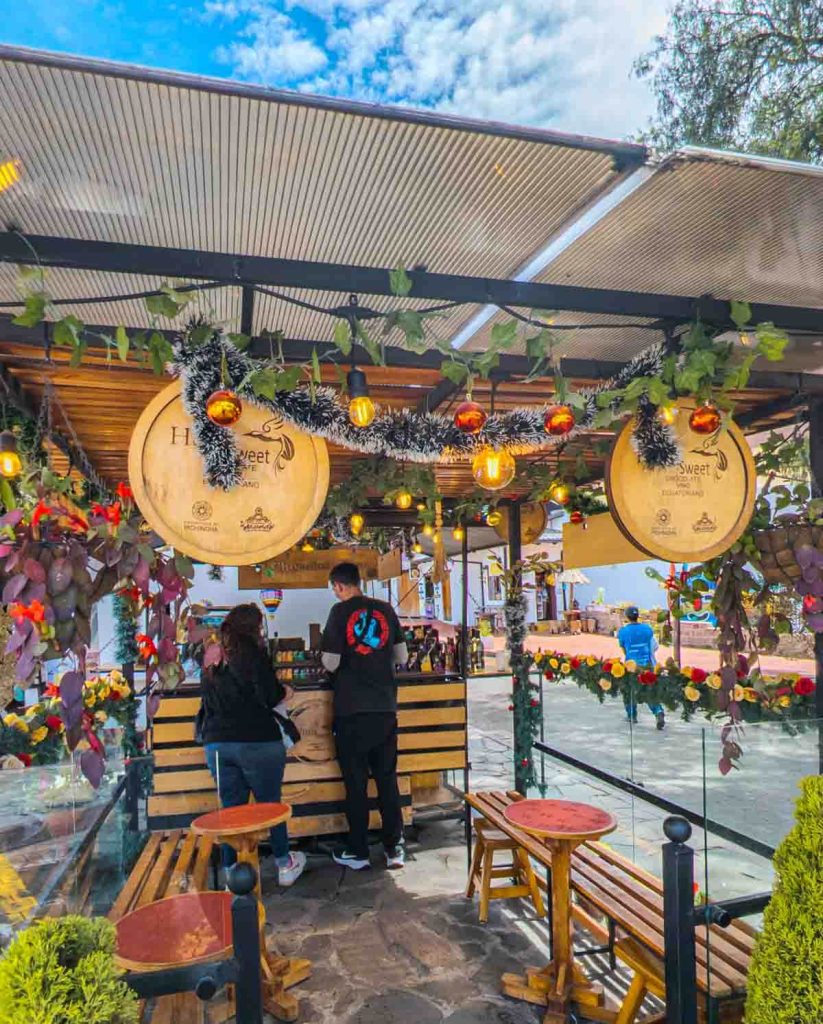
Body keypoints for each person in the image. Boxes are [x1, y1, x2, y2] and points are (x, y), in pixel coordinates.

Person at [200, 603, 306, 886]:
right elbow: (270, 695)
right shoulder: (254, 655)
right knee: (270, 806)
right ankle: (284, 865)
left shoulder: (212, 654)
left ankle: (231, 873)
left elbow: (208, 699)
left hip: (217, 743)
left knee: (230, 810)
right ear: (253, 627)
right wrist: (286, 691)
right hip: (258, 740)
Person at [321, 562, 409, 870]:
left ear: (340, 586)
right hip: (385, 708)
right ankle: (394, 848)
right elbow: (402, 656)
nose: (336, 592)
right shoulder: (385, 609)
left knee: (356, 783)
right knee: (387, 780)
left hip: (351, 711)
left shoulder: (338, 613)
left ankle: (358, 851)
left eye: (334, 588)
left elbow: (331, 662)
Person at [617, 606, 665, 730]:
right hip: (647, 663)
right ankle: (658, 711)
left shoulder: (623, 631)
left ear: (627, 617)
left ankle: (632, 715)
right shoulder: (647, 628)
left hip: (631, 664)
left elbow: (623, 648)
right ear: (638, 615)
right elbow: (651, 644)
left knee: (629, 690)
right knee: (649, 689)